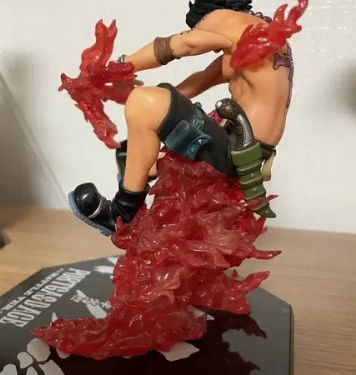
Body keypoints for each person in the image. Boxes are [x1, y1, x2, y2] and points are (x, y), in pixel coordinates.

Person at [69, 0, 294, 236]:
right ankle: (137, 174)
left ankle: (121, 214)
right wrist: (159, 103)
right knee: (145, 125)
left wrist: (119, 67)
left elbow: (183, 44)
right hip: (247, 149)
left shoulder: (226, 17)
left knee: (143, 102)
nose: (214, 47)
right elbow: (204, 78)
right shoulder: (258, 33)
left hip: (238, 150)